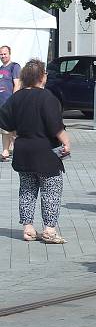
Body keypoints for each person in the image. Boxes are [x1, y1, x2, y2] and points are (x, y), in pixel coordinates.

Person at [0, 59, 71, 244]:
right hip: (45, 151)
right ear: (41, 77)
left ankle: (28, 229)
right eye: (45, 73)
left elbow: (5, 122)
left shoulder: (16, 97)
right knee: (51, 190)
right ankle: (49, 230)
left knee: (27, 190)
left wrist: (16, 133)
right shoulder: (47, 97)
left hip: (23, 150)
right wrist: (66, 142)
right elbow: (55, 125)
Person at [0, 45, 22, 161]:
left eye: (5, 54)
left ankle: (17, 150)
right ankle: (5, 152)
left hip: (11, 103)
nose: (3, 56)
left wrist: (13, 101)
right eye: (1, 54)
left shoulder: (14, 67)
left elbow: (17, 84)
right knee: (4, 128)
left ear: (9, 54)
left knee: (13, 129)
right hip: (1, 104)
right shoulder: (0, 69)